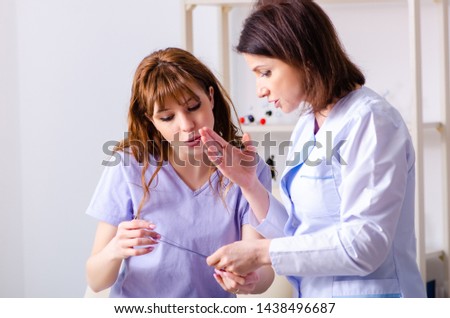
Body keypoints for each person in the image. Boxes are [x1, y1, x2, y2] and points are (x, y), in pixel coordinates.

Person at [200, 0, 426, 298]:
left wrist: (261, 253)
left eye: (265, 72)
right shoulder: (308, 125)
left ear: (302, 56)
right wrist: (249, 184)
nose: (260, 90)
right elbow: (299, 236)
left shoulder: (371, 121)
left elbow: (365, 244)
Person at [85, 47, 274, 297]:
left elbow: (261, 266)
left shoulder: (247, 168)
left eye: (193, 107)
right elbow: (96, 280)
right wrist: (115, 250)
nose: (186, 126)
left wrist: (250, 279)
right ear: (150, 120)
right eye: (167, 117)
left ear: (211, 97)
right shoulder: (128, 165)